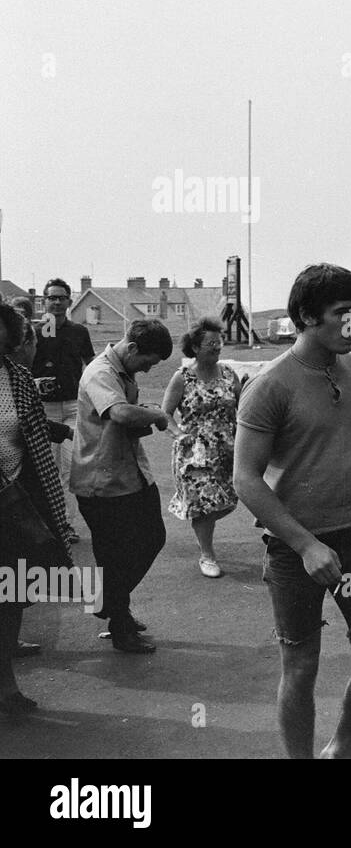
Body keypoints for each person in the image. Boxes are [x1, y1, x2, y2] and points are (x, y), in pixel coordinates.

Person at [233, 264, 351, 759]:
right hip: (294, 547)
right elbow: (245, 478)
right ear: (306, 317)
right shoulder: (270, 385)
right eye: (341, 313)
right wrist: (305, 544)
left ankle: (341, 745)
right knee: (301, 667)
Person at [69, 319, 173, 654]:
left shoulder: (123, 372)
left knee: (150, 538)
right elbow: (120, 414)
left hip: (129, 474)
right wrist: (158, 415)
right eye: (147, 362)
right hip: (102, 482)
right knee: (115, 555)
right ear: (131, 348)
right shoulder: (100, 372)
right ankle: (119, 622)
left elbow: (127, 420)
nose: (146, 369)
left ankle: (112, 603)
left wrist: (146, 414)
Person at [0, 302, 77, 714]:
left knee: (10, 591)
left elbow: (30, 428)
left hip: (12, 503)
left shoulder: (18, 379)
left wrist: (68, 433)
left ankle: (6, 685)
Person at [162, 318, 241, 579]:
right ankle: (207, 554)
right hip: (195, 451)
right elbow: (166, 414)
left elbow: (244, 407)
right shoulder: (182, 377)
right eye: (211, 343)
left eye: (219, 342)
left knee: (226, 503)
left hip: (228, 449)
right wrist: (178, 434)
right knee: (206, 503)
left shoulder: (229, 374)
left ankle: (201, 526)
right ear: (195, 347)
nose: (217, 347)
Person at [32, 279, 95, 540]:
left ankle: (65, 524)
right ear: (44, 301)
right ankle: (47, 523)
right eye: (51, 298)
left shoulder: (79, 332)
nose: (56, 302)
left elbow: (90, 363)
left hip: (71, 407)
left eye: (61, 298)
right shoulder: (36, 332)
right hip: (42, 409)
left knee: (70, 468)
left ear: (70, 301)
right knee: (45, 468)